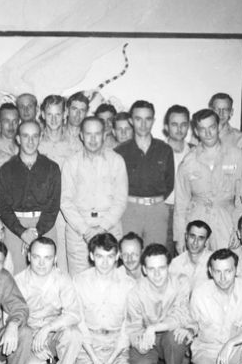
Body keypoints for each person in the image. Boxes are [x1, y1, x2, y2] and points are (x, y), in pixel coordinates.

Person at [70, 233, 138, 364]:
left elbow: (127, 327)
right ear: (92, 256)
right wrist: (95, 360)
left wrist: (108, 362)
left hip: (116, 347)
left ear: (117, 257)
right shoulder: (79, 282)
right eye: (100, 256)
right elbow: (79, 323)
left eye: (110, 257)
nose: (105, 262)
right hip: (89, 347)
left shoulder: (129, 285)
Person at [15, 237, 82, 364]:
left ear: (55, 259)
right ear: (28, 256)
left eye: (48, 258)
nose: (41, 263)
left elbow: (74, 314)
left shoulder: (63, 279)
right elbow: (10, 322)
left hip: (52, 332)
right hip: (28, 335)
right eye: (36, 257)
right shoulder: (18, 282)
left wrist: (48, 328)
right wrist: (32, 342)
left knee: (74, 333)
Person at [61, 116, 128, 276]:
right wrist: (86, 230)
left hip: (109, 227)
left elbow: (121, 200)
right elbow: (65, 201)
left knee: (110, 282)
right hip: (79, 232)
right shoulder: (71, 163)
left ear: (104, 135)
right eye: (88, 134)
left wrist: (102, 228)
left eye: (97, 134)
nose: (92, 139)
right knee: (79, 284)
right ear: (81, 136)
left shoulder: (116, 161)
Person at [173, 109, 242, 253]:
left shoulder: (237, 155)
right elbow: (181, 203)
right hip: (197, 221)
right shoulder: (188, 161)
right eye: (202, 129)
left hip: (226, 221)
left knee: (227, 265)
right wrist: (180, 237)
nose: (207, 134)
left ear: (219, 127)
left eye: (211, 128)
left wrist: (238, 230)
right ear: (196, 131)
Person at [126, 244, 191, 364]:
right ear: (143, 269)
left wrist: (154, 327)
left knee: (178, 337)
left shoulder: (181, 282)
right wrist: (139, 344)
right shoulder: (136, 293)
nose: (156, 274)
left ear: (169, 267)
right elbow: (133, 329)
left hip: (168, 336)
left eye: (161, 268)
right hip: (149, 340)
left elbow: (182, 316)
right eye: (151, 269)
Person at [0, 120, 61, 273]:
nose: (30, 141)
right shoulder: (7, 169)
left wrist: (37, 232)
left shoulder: (52, 168)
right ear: (18, 139)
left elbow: (53, 206)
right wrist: (22, 233)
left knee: (46, 274)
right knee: (16, 276)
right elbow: (4, 208)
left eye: (35, 136)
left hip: (45, 226)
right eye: (26, 136)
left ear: (40, 138)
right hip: (15, 228)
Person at [115, 100, 174, 247]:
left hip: (157, 210)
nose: (143, 124)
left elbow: (169, 182)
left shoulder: (164, 149)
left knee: (155, 256)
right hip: (129, 210)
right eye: (138, 119)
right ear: (131, 121)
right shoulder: (120, 152)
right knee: (129, 255)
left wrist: (155, 201)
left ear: (153, 121)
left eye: (147, 119)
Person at [38, 94, 79, 272]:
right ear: (42, 114)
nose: (53, 119)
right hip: (42, 210)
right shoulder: (35, 142)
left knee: (66, 259)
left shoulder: (76, 145)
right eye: (49, 114)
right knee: (43, 257)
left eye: (57, 114)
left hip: (66, 212)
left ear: (65, 114)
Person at [163, 105, 192, 252]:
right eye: (174, 124)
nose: (179, 129)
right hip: (163, 212)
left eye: (183, 125)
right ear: (166, 126)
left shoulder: (195, 152)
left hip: (188, 213)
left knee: (185, 261)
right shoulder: (157, 151)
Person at [168, 220, 212, 291]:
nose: (195, 242)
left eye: (200, 238)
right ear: (186, 237)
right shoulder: (175, 264)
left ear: (206, 242)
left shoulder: (215, 262)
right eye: (192, 236)